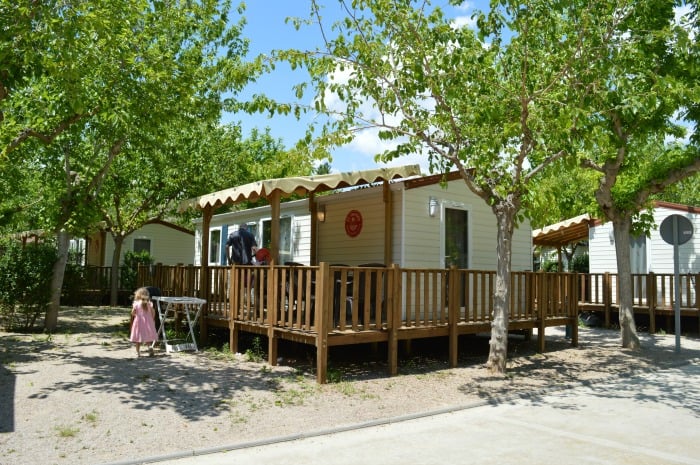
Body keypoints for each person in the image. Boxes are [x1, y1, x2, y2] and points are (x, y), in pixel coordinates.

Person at [129, 287, 158, 358]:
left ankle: (138, 352)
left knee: (138, 338)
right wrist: (151, 318)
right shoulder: (149, 303)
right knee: (148, 337)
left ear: (137, 295)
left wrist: (136, 315)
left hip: (139, 322)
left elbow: (132, 313)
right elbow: (153, 312)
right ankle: (149, 347)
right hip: (148, 322)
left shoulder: (136, 304)